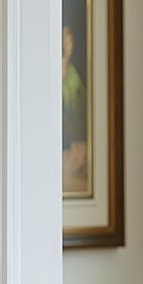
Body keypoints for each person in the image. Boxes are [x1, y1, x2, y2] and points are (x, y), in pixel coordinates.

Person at [62, 24, 90, 192]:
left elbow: (81, 103)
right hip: (64, 135)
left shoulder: (73, 73)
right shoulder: (56, 73)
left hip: (77, 131)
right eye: (67, 42)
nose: (70, 46)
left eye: (71, 42)